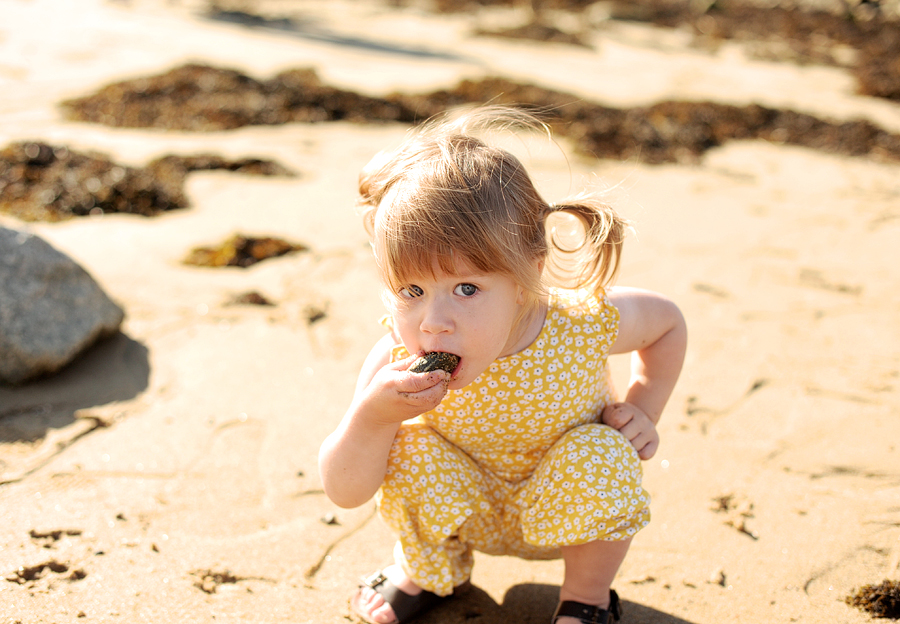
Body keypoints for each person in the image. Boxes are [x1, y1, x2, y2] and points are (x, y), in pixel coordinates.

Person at [318, 106, 687, 624]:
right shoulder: (398, 358)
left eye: (466, 288)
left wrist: (643, 408)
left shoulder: (580, 323)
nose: (434, 322)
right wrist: (372, 418)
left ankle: (586, 600)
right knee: (406, 444)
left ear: (525, 276)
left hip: (567, 507)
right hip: (467, 507)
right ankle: (427, 571)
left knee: (604, 451)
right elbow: (344, 490)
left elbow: (667, 323)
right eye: (412, 291)